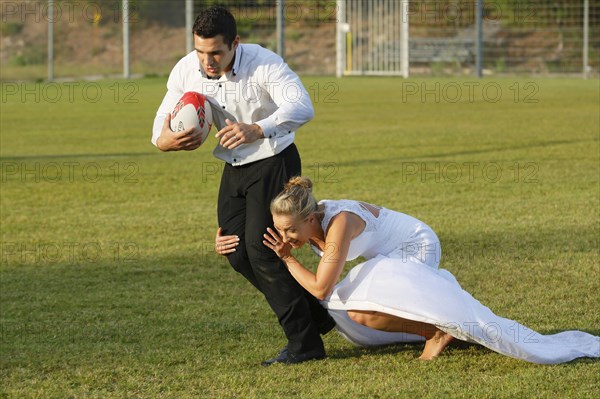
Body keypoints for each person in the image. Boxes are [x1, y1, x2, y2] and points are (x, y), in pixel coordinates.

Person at [152, 6, 334, 366]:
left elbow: (303, 107)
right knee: (235, 251)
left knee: (261, 248)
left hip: (273, 159)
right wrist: (162, 140)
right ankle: (316, 315)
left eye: (216, 52)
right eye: (201, 51)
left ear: (235, 43)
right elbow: (164, 114)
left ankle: (305, 344)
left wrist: (259, 127)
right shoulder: (187, 67)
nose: (207, 60)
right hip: (234, 166)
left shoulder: (264, 63)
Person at [257, 176, 599, 363]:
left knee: (356, 308)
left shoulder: (340, 223)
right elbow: (324, 289)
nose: (287, 237)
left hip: (416, 247)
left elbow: (318, 288)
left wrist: (287, 259)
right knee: (346, 304)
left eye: (292, 230)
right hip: (388, 257)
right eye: (281, 230)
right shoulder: (313, 225)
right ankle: (438, 317)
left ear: (313, 217)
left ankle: (436, 332)